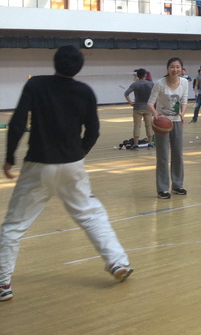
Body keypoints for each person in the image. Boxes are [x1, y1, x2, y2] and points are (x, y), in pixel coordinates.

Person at [0, 45, 133, 302]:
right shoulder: (85, 91)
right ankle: (117, 262)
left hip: (38, 164)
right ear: (79, 67)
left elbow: (17, 122)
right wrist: (79, 154)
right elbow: (93, 131)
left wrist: (9, 158)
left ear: (55, 62)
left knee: (14, 225)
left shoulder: (36, 85)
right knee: (91, 215)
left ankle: (3, 283)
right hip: (73, 165)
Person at [149, 57, 189, 199]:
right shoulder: (159, 84)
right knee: (163, 156)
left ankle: (177, 185)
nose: (175, 69)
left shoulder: (184, 82)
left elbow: (184, 100)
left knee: (178, 154)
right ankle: (162, 189)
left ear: (181, 69)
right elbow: (150, 103)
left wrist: (183, 113)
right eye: (172, 67)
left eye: (177, 67)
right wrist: (155, 114)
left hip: (177, 121)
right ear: (167, 68)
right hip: (162, 123)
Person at [123, 68, 155, 149]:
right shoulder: (151, 84)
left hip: (137, 108)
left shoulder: (135, 84)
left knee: (137, 126)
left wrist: (130, 102)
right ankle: (150, 143)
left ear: (137, 75)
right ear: (145, 75)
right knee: (149, 126)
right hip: (148, 108)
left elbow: (126, 94)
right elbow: (156, 94)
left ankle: (136, 144)